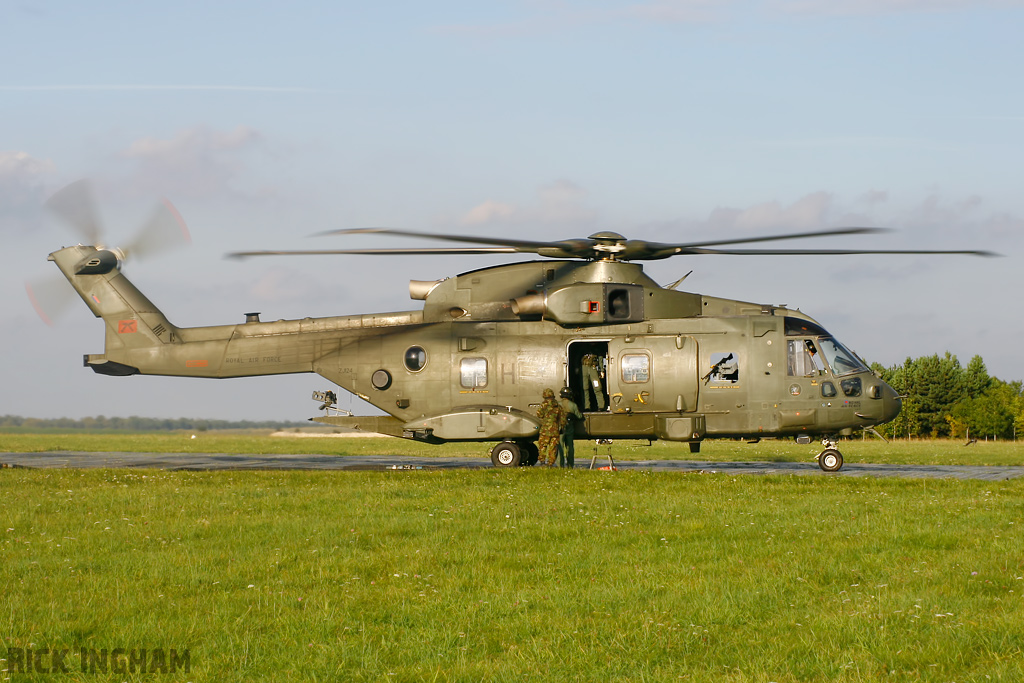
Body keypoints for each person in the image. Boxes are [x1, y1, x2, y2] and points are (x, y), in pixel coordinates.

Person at [535, 388, 566, 467]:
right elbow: (563, 420)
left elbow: (539, 415)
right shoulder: (558, 406)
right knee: (553, 448)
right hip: (555, 431)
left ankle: (542, 462)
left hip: (545, 430)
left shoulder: (543, 405)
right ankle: (550, 463)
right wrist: (561, 428)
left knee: (542, 446)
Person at [558, 387, 583, 468]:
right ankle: (570, 465)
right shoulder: (573, 405)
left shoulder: (557, 404)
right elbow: (579, 416)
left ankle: (560, 465)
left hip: (559, 428)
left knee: (560, 447)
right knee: (570, 447)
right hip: (569, 427)